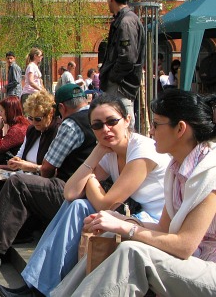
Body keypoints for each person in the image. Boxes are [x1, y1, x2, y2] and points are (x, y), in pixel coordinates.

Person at [0, 94, 170, 297]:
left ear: (127, 120)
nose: (106, 129)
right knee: (76, 205)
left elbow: (107, 204)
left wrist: (92, 178)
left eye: (112, 122)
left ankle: (37, 288)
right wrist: (96, 153)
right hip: (134, 215)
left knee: (81, 206)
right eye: (97, 126)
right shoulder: (108, 151)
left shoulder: (141, 150)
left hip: (156, 223)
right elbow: (70, 192)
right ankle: (35, 286)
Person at [52, 89, 216, 296]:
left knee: (132, 251)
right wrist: (121, 221)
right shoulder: (176, 169)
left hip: (207, 267)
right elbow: (163, 228)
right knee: (112, 232)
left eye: (156, 124)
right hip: (193, 262)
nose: (151, 131)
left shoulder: (209, 171)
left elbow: (184, 246)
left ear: (180, 129)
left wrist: (124, 226)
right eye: (97, 125)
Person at [0, 84, 96, 270]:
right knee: (3, 180)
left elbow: (47, 169)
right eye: (31, 118)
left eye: (38, 118)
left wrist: (30, 167)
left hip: (72, 190)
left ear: (60, 108)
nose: (34, 121)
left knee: (17, 183)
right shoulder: (91, 118)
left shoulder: (70, 124)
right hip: (84, 190)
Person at [99, 0, 145, 130]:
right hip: (120, 84)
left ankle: (128, 152)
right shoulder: (125, 20)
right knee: (117, 124)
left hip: (121, 86)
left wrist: (113, 77)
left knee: (122, 127)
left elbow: (127, 58)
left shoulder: (126, 22)